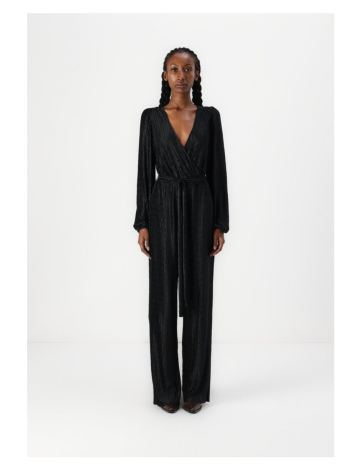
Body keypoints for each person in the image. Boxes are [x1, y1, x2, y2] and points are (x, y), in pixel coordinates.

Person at [133, 47, 230, 414]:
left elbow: (218, 171)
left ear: (197, 75)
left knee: (199, 299)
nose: (181, 75)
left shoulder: (209, 117)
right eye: (174, 69)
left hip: (201, 210)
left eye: (188, 69)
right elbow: (145, 172)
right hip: (162, 210)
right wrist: (143, 221)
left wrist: (219, 222)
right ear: (165, 75)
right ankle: (166, 390)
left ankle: (194, 390)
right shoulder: (151, 118)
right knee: (161, 301)